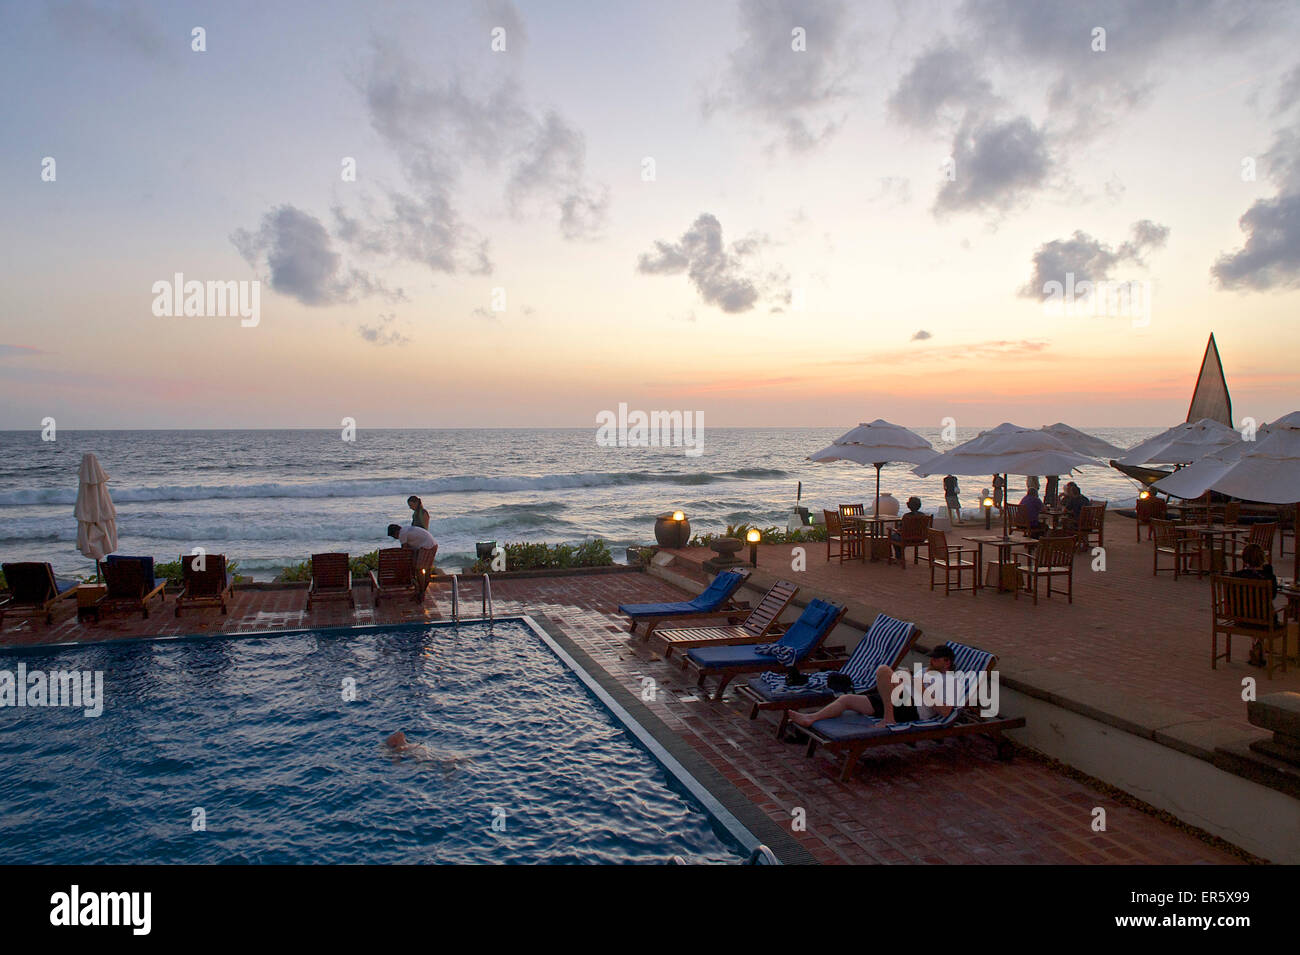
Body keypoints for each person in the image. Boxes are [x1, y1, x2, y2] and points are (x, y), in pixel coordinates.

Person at [789, 644, 957, 728]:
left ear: (947, 662)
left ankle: (888, 718)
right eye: (932, 658)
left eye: (936, 659)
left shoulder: (949, 681)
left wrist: (920, 686)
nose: (931, 661)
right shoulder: (925, 671)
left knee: (883, 670)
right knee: (846, 699)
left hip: (913, 709)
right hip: (898, 700)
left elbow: (945, 711)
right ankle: (811, 718)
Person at [1232, 543, 1280, 667]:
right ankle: (1259, 644)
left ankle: (1256, 644)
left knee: (1254, 610)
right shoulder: (1268, 577)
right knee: (1264, 611)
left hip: (1241, 619)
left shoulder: (1236, 576)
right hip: (1264, 619)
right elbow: (1273, 596)